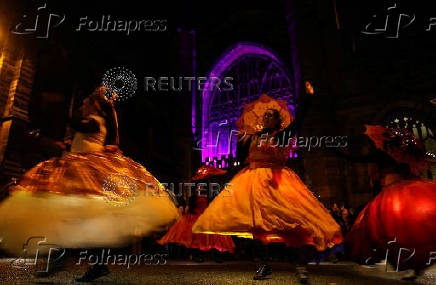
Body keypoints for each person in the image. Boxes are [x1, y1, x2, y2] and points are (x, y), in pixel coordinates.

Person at [0, 86, 179, 282]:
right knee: (68, 217)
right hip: (78, 170)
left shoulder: (95, 121)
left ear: (94, 105)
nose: (82, 106)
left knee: (78, 218)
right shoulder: (92, 122)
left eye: (85, 103)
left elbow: (79, 125)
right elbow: (81, 132)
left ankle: (82, 262)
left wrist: (57, 104)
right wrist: (68, 144)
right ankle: (77, 262)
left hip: (88, 172)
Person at [192, 94, 342, 283]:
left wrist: (308, 98)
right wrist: (225, 162)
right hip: (252, 181)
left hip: (277, 180)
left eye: (270, 115)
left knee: (290, 221)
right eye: (265, 115)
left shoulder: (280, 136)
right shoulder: (250, 138)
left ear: (278, 120)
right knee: (258, 225)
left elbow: (298, 122)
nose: (266, 117)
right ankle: (264, 264)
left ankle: (299, 264)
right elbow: (239, 160)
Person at [345, 125, 436, 280]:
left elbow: (359, 158)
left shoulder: (382, 154)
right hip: (407, 187)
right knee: (410, 228)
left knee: (395, 229)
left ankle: (409, 263)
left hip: (392, 191)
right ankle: (414, 265)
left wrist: (336, 150)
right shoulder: (403, 155)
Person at [157, 165, 235, 262]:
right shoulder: (196, 195)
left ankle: (215, 256)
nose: (200, 188)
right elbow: (193, 205)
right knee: (198, 238)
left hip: (206, 217)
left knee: (213, 237)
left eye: (202, 187)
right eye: (199, 187)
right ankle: (197, 255)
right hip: (197, 217)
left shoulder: (209, 193)